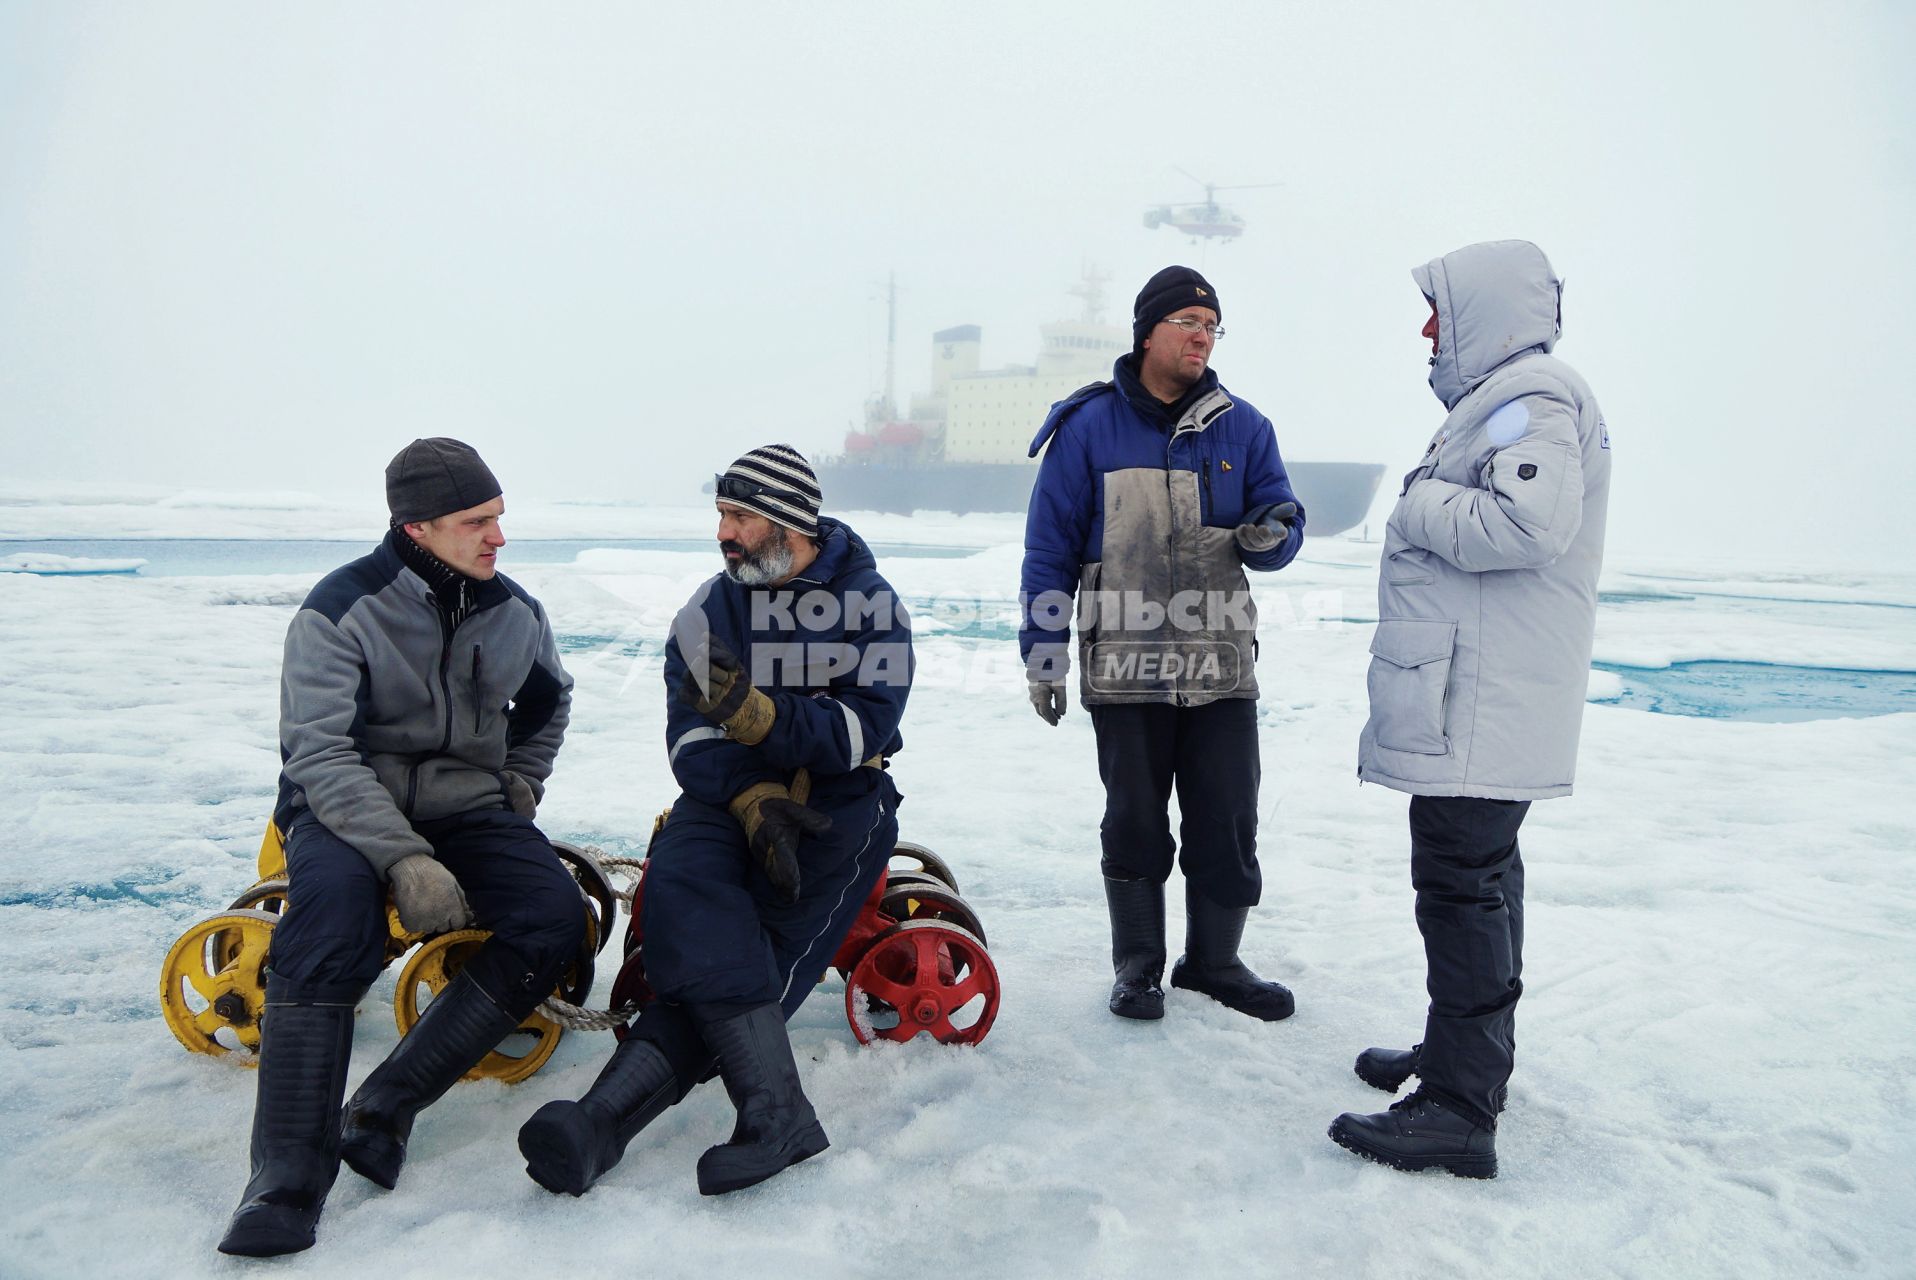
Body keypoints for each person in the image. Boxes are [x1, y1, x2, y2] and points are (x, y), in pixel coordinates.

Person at [518, 444, 911, 1198]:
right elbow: (689, 735)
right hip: (723, 798)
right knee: (683, 891)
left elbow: (866, 730)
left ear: (790, 523)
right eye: (721, 515)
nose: (724, 532)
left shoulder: (872, 607)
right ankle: (769, 1112)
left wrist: (766, 720)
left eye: (740, 516)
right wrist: (747, 792)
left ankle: (607, 1118)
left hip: (840, 806)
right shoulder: (708, 609)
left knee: (742, 969)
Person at [218, 438, 578, 1256]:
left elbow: (550, 703)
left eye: (498, 517)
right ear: (417, 527)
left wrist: (519, 785)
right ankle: (285, 1177)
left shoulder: (515, 611)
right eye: (475, 521)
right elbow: (317, 752)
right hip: (344, 808)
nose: (497, 537)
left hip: (470, 805)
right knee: (330, 929)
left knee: (553, 917)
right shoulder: (341, 608)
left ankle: (386, 1107)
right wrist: (402, 858)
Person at [1328, 240, 1612, 1179]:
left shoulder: (1533, 399)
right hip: (1480, 697)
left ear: (1484, 312)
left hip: (1483, 703)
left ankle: (1457, 1106)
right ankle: (1462, 1061)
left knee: (1461, 885)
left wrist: (1414, 506)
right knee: (1478, 880)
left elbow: (1528, 527)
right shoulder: (1509, 402)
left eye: (1440, 311)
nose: (1427, 329)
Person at [1019, 265, 1305, 1023]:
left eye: (1211, 324)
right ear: (1148, 331)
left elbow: (1283, 520)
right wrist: (1043, 652)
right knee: (1135, 822)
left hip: (1219, 666)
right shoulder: (1087, 430)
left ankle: (1214, 962)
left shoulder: (1245, 427)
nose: (1202, 335)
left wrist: (1275, 533)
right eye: (1187, 321)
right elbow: (1048, 551)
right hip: (1125, 664)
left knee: (1227, 820)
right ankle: (1138, 967)